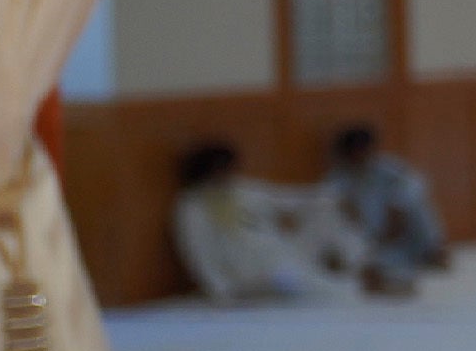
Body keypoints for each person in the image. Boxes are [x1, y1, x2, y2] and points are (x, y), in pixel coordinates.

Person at [170, 142, 358, 302]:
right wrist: (222, 292)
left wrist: (333, 197)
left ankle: (350, 274)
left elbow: (288, 198)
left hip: (276, 255)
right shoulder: (192, 207)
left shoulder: (240, 190)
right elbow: (199, 251)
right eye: (220, 170)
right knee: (299, 285)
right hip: (247, 274)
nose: (226, 175)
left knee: (325, 286)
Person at [324, 124, 449, 289]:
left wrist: (397, 206)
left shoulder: (388, 169)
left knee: (418, 205)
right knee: (369, 260)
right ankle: (381, 276)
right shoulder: (338, 179)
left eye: (364, 151)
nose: (361, 156)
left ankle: (432, 252)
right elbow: (333, 205)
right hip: (369, 239)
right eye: (356, 152)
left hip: (399, 233)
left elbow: (415, 185)